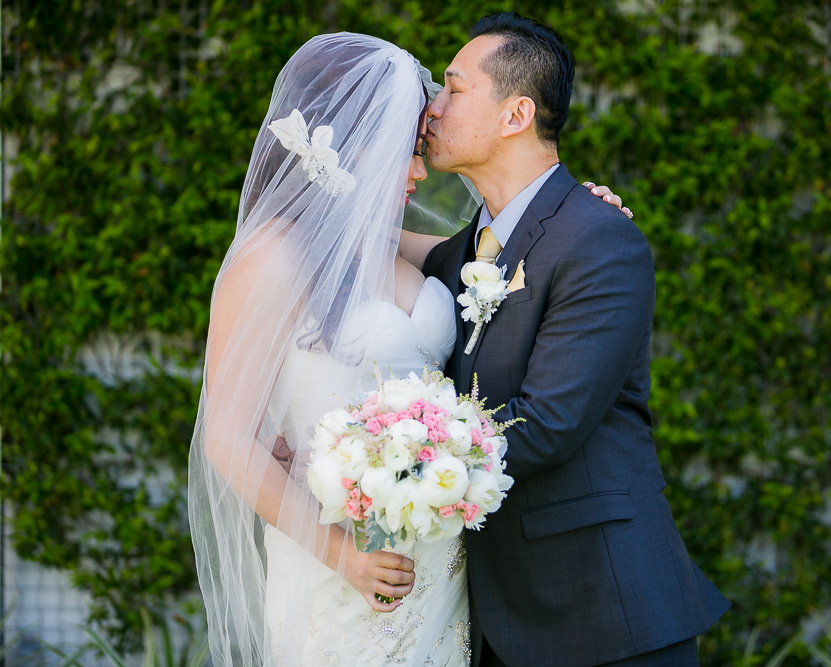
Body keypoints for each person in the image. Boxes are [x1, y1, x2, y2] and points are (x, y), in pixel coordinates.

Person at [188, 32, 626, 666]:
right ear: (352, 149)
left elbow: (511, 250)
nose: (421, 171)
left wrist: (583, 219)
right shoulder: (271, 259)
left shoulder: (399, 250)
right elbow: (228, 437)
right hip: (337, 560)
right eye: (408, 152)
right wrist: (345, 558)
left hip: (442, 564)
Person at [413, 13, 731, 667]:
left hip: (606, 618)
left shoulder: (597, 237)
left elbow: (549, 422)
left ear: (515, 113)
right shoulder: (459, 256)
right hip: (496, 620)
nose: (431, 108)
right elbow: (354, 247)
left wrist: (392, 468)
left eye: (451, 88)